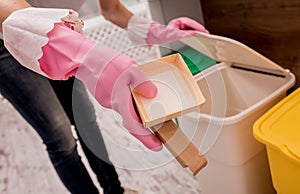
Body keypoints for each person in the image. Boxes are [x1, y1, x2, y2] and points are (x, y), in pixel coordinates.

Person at [0, 0, 209, 193]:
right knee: (60, 137)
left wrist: (158, 33)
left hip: (57, 29)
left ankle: (114, 190)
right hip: (6, 41)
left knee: (85, 119)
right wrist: (75, 51)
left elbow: (113, 10)